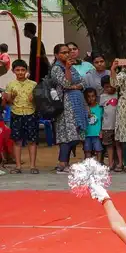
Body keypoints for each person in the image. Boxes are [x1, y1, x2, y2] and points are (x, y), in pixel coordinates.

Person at [50, 43, 87, 174]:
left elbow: (83, 82)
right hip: (65, 105)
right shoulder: (56, 68)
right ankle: (62, 164)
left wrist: (75, 86)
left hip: (76, 104)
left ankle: (65, 163)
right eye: (63, 52)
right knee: (66, 135)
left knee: (75, 134)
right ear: (56, 55)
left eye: (68, 52)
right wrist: (67, 69)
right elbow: (66, 83)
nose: (67, 54)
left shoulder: (71, 67)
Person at [3, 60, 38, 173]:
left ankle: (32, 166)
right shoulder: (10, 85)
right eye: (17, 70)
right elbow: (7, 102)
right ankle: (18, 166)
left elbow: (39, 101)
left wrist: (34, 99)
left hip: (30, 113)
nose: (20, 72)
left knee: (32, 140)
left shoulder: (33, 84)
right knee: (17, 141)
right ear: (13, 71)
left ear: (26, 71)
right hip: (16, 114)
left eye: (23, 70)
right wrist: (11, 97)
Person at [82, 88, 103, 160]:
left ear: (96, 96)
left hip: (97, 134)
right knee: (87, 150)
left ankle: (99, 164)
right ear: (86, 98)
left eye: (93, 96)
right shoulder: (84, 109)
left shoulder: (100, 108)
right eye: (89, 96)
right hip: (87, 134)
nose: (91, 98)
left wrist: (101, 130)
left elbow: (102, 120)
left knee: (98, 149)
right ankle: (89, 164)